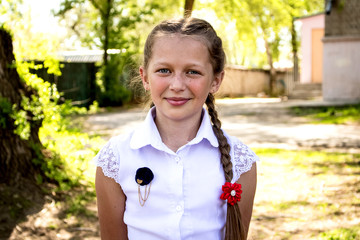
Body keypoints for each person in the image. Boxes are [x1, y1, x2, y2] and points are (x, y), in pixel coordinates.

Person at [94, 17, 258, 240]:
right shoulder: (115, 159)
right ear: (145, 77)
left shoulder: (241, 162)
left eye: (193, 72)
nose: (177, 85)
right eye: (164, 70)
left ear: (216, 80)